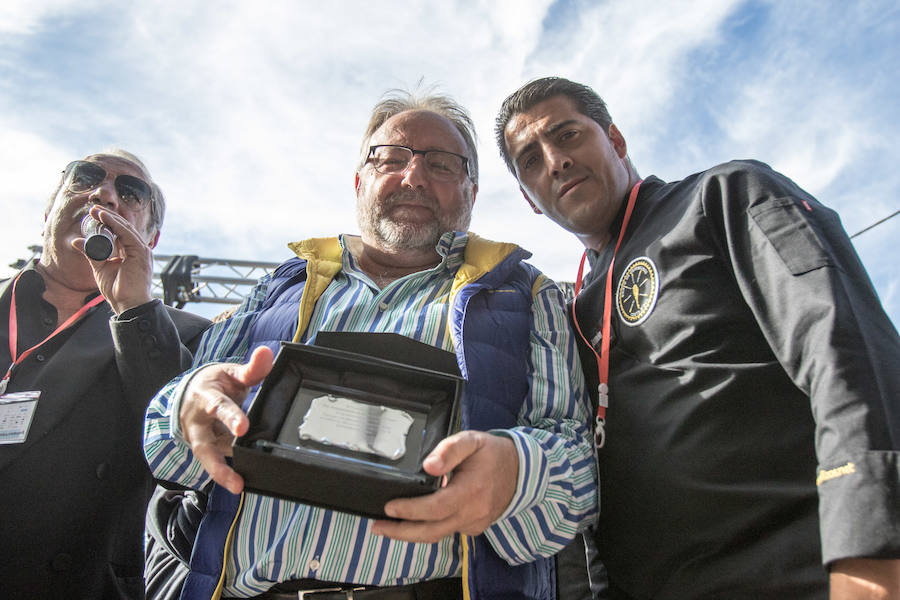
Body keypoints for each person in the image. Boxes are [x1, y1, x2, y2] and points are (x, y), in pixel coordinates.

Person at [143, 88, 597, 600]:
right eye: (391, 159)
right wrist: (185, 406)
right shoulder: (277, 290)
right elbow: (167, 454)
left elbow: (580, 466)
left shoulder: (528, 297)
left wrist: (518, 472)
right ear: (360, 182)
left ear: (471, 192)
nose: (414, 176)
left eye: (442, 164)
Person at [495, 77, 900, 599]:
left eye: (568, 135)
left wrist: (869, 550)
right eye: (530, 160)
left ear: (615, 142)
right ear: (529, 200)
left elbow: (844, 347)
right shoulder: (565, 314)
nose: (555, 161)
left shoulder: (724, 197)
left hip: (804, 571)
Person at [0, 150, 210, 599]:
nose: (104, 195)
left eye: (132, 193)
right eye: (86, 178)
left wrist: (134, 309)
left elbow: (184, 456)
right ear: (47, 213)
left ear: (150, 241)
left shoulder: (186, 336)